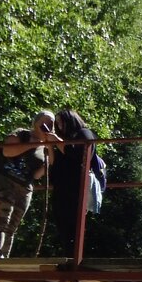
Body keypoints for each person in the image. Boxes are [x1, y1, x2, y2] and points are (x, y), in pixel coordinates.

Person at [0, 111, 61, 258]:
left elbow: (39, 174)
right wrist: (33, 144)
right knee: (2, 217)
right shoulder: (22, 133)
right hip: (5, 179)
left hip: (24, 186)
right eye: (45, 121)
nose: (47, 125)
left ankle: (4, 257)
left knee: (13, 224)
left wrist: (49, 146)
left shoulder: (45, 148)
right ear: (36, 122)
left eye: (51, 123)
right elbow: (7, 151)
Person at [50, 108, 96, 255]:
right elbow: (54, 163)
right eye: (57, 123)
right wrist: (50, 145)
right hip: (61, 188)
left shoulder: (84, 133)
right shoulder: (64, 139)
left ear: (70, 120)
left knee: (74, 224)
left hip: (75, 187)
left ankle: (75, 258)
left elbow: (78, 154)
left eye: (61, 122)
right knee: (62, 224)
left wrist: (57, 142)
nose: (59, 126)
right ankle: (69, 256)